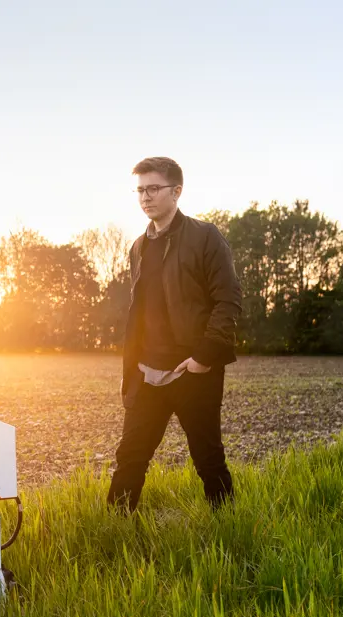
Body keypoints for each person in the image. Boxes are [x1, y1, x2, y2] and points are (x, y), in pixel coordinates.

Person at [108, 157, 242, 514]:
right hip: (147, 374)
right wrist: (134, 366)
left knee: (208, 460)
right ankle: (112, 531)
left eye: (153, 189)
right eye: (140, 190)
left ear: (176, 191)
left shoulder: (205, 237)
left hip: (192, 372)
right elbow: (140, 311)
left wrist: (203, 358)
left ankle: (229, 527)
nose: (145, 197)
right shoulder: (138, 247)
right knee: (130, 459)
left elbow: (227, 300)